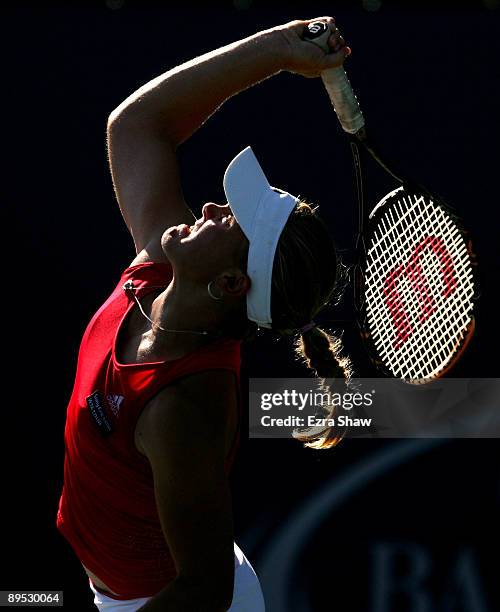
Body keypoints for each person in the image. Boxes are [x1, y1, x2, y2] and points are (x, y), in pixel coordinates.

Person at [56, 15, 352, 612]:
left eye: (231, 220)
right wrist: (278, 50)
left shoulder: (184, 406)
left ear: (229, 282)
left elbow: (204, 589)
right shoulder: (158, 269)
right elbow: (136, 126)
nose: (212, 207)